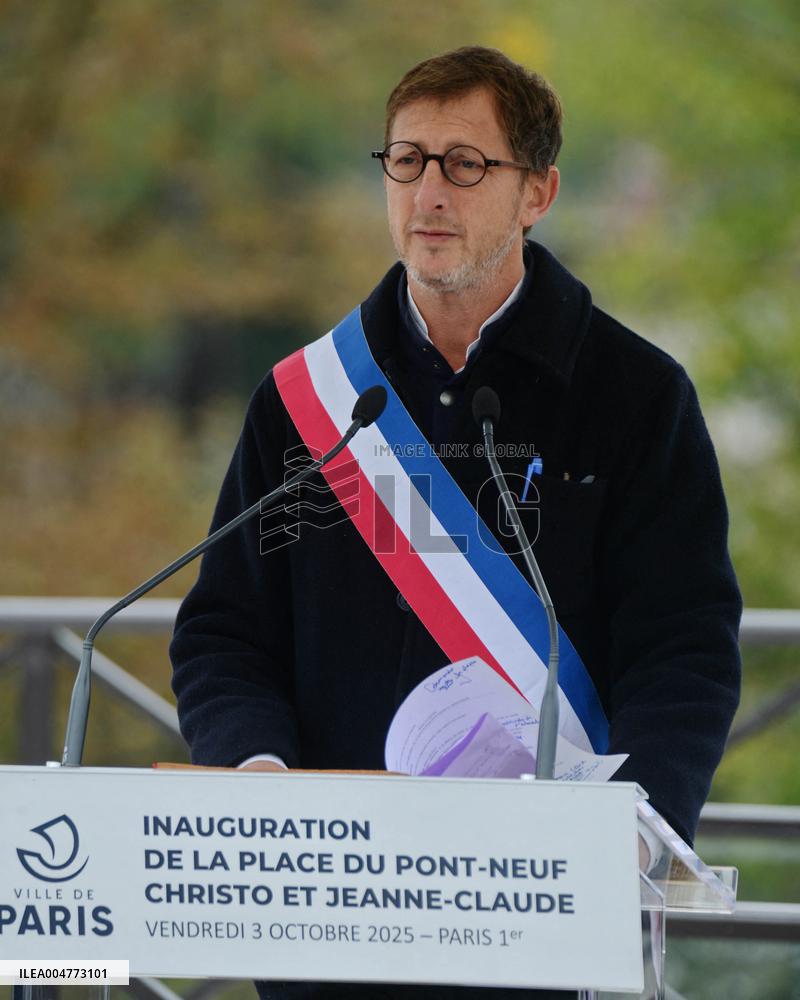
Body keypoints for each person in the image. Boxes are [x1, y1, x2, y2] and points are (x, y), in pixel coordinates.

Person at [171, 46, 741, 998]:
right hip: (329, 909)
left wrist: (631, 833)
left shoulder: (637, 396)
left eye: (466, 164)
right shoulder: (307, 399)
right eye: (407, 160)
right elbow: (226, 633)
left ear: (538, 192)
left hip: (536, 912)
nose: (428, 192)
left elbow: (682, 649)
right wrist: (255, 773)